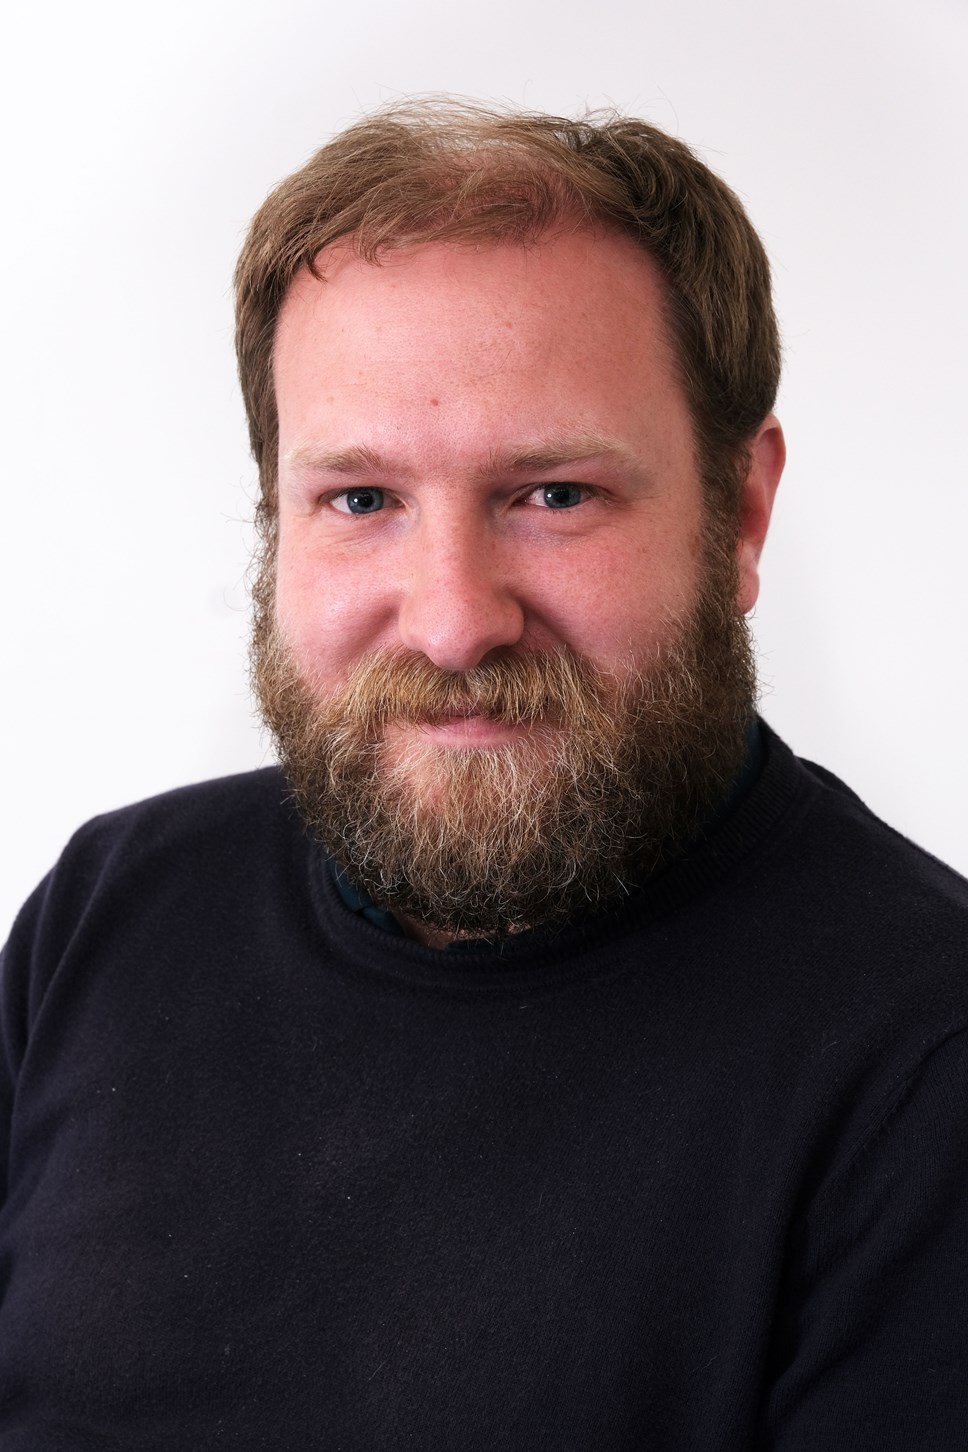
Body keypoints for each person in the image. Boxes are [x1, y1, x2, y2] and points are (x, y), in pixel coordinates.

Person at [1, 100, 965, 1449]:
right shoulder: (111, 910)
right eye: (361, 500)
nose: (454, 624)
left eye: (554, 494)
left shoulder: (925, 1060)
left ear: (740, 512)